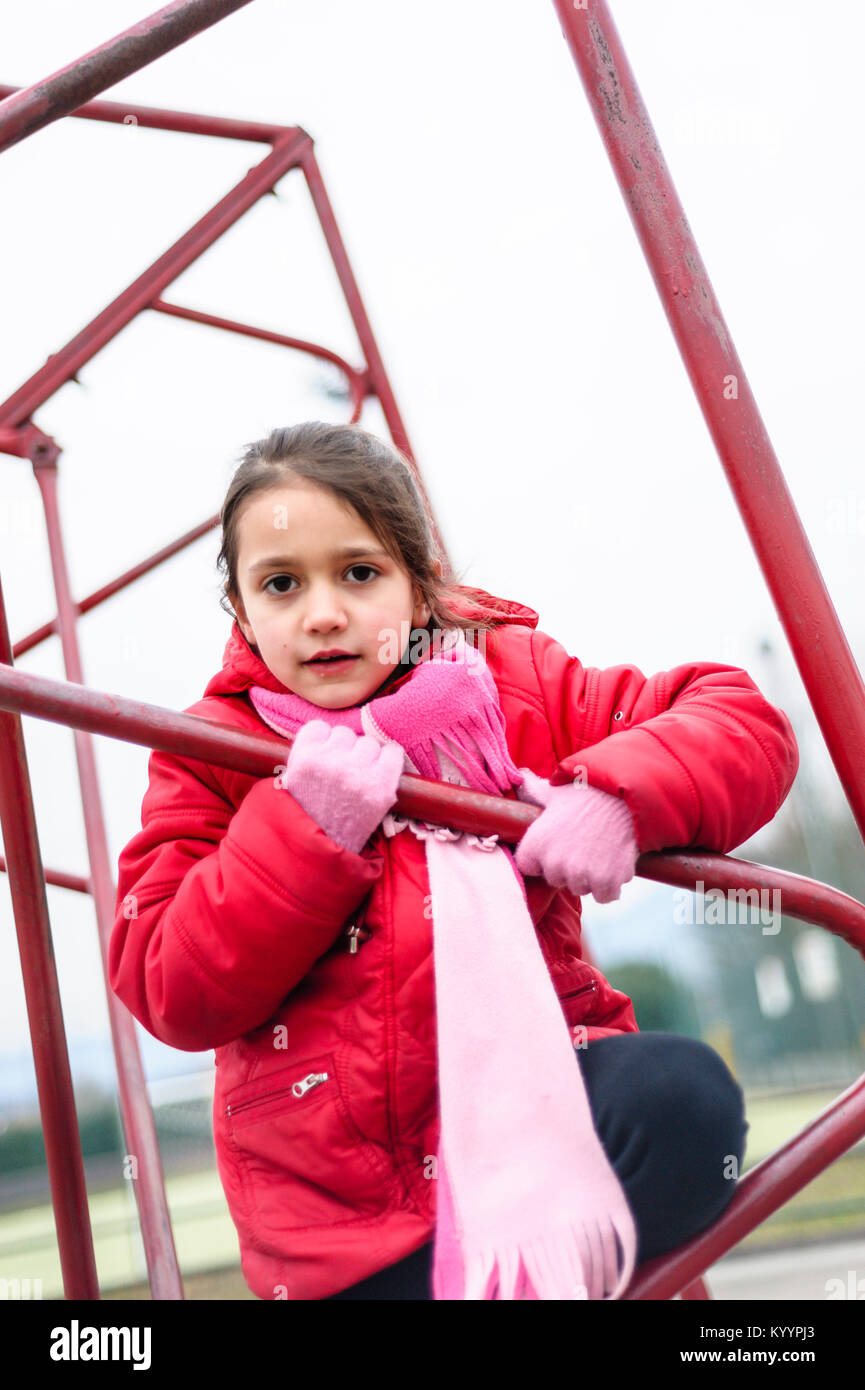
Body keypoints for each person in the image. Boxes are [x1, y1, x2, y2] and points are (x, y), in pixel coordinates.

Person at [110, 421, 799, 1301]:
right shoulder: (210, 751)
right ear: (242, 612)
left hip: (538, 1122)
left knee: (687, 1104)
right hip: (350, 1212)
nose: (322, 612)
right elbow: (168, 982)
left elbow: (739, 719)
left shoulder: (507, 684)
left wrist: (619, 792)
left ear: (418, 584)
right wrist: (300, 830)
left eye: (359, 573)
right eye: (281, 584)